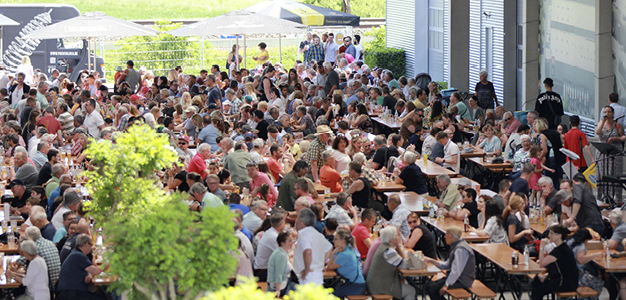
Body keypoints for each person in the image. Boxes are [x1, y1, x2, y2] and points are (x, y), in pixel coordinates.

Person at [424, 226, 476, 300]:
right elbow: (446, 265)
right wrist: (430, 260)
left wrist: (446, 285)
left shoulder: (460, 249)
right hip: (457, 278)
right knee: (430, 285)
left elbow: (456, 270)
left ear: (451, 236)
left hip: (462, 280)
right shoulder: (457, 245)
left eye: (446, 234)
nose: (444, 237)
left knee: (432, 288)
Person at [366, 226, 416, 300]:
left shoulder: (383, 246)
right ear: (391, 238)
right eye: (397, 235)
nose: (399, 236)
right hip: (379, 287)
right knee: (411, 290)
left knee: (404, 283)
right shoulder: (389, 251)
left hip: (375, 283)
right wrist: (400, 247)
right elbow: (406, 265)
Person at [531, 225, 578, 300]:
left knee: (537, 290)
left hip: (565, 283)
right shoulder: (560, 248)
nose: (549, 236)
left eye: (552, 233)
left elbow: (541, 263)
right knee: (536, 282)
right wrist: (547, 276)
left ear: (559, 235)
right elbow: (558, 268)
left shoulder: (560, 251)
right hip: (562, 278)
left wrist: (542, 246)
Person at [56, 234, 106, 300]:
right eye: (90, 244)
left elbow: (89, 271)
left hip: (69, 292)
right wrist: (107, 265)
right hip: (70, 294)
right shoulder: (78, 255)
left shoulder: (76, 253)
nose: (91, 247)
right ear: (86, 244)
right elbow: (96, 271)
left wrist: (89, 274)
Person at [294, 208, 333, 285]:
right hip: (318, 275)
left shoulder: (304, 235)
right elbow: (329, 247)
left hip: (307, 277)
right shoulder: (319, 235)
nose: (295, 221)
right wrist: (320, 261)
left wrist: (307, 269)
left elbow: (308, 251)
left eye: (297, 218)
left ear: (302, 222)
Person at [325, 229, 366, 298]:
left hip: (356, 286)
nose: (333, 241)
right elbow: (332, 264)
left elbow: (329, 267)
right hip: (353, 283)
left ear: (343, 241)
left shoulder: (345, 254)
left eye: (335, 239)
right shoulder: (348, 249)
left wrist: (332, 253)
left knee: (330, 296)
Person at [566, 228, 605, 298]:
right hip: (577, 275)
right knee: (598, 282)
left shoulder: (570, 241)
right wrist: (595, 255)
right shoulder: (580, 246)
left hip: (567, 272)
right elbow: (580, 260)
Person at [254, 213, 285, 282]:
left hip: (263, 269)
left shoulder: (270, 232)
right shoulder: (273, 236)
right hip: (263, 272)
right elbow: (283, 254)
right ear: (282, 224)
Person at [268, 231, 296, 297]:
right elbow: (278, 274)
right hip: (280, 287)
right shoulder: (281, 255)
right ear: (282, 243)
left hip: (285, 283)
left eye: (292, 240)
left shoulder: (282, 251)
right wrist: (278, 291)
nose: (292, 243)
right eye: (289, 241)